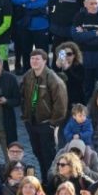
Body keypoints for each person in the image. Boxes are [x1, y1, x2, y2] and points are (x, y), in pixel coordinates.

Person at [21, 49, 67, 179]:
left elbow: (61, 104)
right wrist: (25, 118)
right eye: (32, 58)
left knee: (49, 156)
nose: (34, 61)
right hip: (31, 122)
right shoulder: (28, 75)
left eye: (37, 59)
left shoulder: (53, 79)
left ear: (45, 61)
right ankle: (45, 180)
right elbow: (22, 96)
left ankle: (51, 182)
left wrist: (52, 124)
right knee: (37, 153)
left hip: (46, 124)